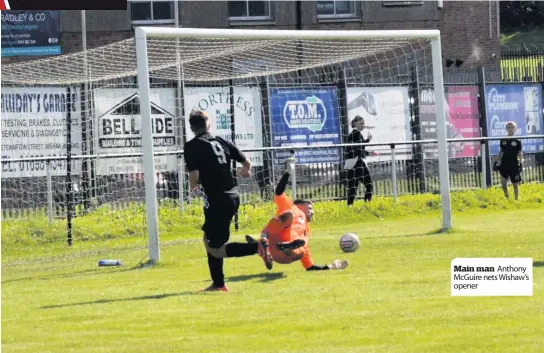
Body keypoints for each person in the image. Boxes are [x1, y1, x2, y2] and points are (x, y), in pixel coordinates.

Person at [183, 109, 272, 292]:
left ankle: (257, 247)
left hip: (217, 201)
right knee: (209, 239)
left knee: (215, 248)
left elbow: (194, 175)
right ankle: (218, 284)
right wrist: (245, 172)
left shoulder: (192, 146)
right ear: (208, 124)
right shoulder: (221, 141)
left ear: (191, 127)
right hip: (232, 196)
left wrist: (193, 187)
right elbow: (247, 162)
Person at [246, 157, 349, 272]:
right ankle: (264, 243)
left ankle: (278, 246)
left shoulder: (306, 231)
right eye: (310, 207)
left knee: (302, 248)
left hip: (288, 255)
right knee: (288, 215)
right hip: (275, 246)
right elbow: (279, 192)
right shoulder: (291, 207)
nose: (313, 211)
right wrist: (287, 173)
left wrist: (331, 266)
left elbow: (310, 267)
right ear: (300, 205)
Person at [344, 115, 373, 206]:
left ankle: (349, 206)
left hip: (352, 165)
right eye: (361, 123)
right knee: (369, 185)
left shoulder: (354, 135)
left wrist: (368, 153)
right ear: (355, 123)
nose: (363, 125)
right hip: (358, 164)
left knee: (353, 188)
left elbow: (359, 149)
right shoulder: (355, 134)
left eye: (363, 123)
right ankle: (367, 204)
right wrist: (368, 140)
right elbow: (358, 146)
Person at [493, 121, 523, 200]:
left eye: (512, 127)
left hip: (514, 164)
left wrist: (520, 162)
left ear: (515, 129)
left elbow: (520, 152)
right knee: (503, 184)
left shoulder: (517, 141)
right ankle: (507, 198)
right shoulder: (503, 140)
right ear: (506, 129)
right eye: (508, 127)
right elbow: (501, 152)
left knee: (515, 185)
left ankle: (516, 200)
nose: (510, 129)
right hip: (504, 164)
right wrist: (497, 161)